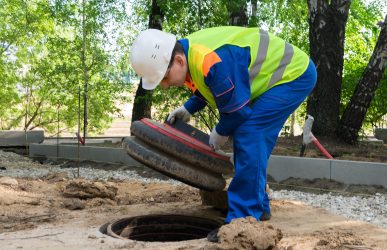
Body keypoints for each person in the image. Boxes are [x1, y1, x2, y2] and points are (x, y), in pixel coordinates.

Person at [130, 26, 317, 242]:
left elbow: (237, 110)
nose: (164, 85)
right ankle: (259, 206)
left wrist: (220, 131)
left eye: (163, 77)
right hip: (279, 78)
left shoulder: (209, 58)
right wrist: (189, 108)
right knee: (248, 135)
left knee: (250, 133)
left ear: (179, 61)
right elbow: (211, 84)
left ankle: (242, 221)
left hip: (293, 75)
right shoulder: (191, 54)